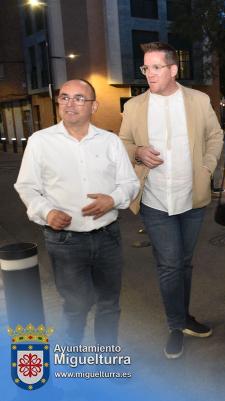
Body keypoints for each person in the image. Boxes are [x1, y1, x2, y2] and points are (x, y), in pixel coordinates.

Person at [14, 79, 139, 345]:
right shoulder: (41, 141)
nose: (71, 103)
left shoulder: (110, 142)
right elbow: (26, 186)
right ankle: (72, 358)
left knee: (109, 303)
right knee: (75, 305)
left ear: (94, 106)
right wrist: (47, 212)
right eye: (65, 97)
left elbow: (130, 183)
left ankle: (106, 357)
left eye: (80, 98)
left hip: (107, 237)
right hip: (65, 241)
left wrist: (112, 199)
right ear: (58, 102)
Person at [119, 42, 223, 359]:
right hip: (154, 200)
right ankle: (176, 326)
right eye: (145, 68)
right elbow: (122, 141)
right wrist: (137, 152)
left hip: (191, 198)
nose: (149, 73)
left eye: (156, 67)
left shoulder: (198, 100)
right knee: (169, 265)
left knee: (184, 263)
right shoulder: (135, 106)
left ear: (173, 69)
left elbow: (215, 136)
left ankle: (184, 316)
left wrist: (206, 168)